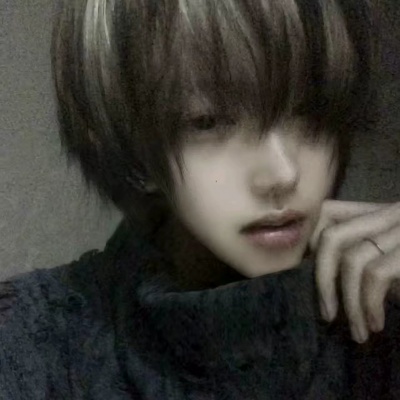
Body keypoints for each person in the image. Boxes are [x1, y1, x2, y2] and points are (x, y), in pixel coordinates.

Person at [1, 0, 400, 398]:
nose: (283, 174)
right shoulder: (30, 345)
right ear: (130, 145)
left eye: (310, 113)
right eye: (209, 122)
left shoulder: (385, 318)